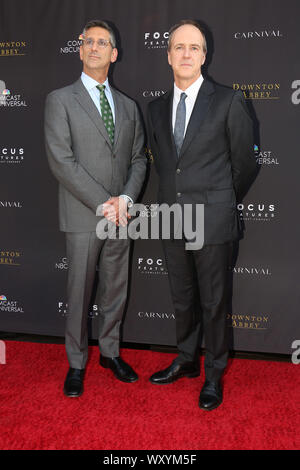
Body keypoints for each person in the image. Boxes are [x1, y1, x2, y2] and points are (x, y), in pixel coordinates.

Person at [147, 19, 257, 410]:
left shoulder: (228, 101)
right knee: (182, 298)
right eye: (179, 47)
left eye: (194, 47)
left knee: (213, 302)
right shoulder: (156, 108)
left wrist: (220, 200)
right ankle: (187, 360)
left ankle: (213, 374)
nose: (186, 54)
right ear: (168, 55)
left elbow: (245, 163)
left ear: (205, 56)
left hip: (211, 217)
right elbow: (163, 163)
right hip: (172, 218)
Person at [44, 20, 146, 397]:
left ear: (114, 54)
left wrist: (126, 201)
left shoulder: (129, 106)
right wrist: (105, 204)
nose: (94, 47)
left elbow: (139, 160)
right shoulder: (60, 99)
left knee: (116, 290)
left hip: (121, 216)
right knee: (79, 291)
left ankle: (110, 352)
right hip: (85, 214)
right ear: (80, 49)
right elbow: (61, 160)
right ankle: (75, 362)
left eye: (102, 42)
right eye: (88, 41)